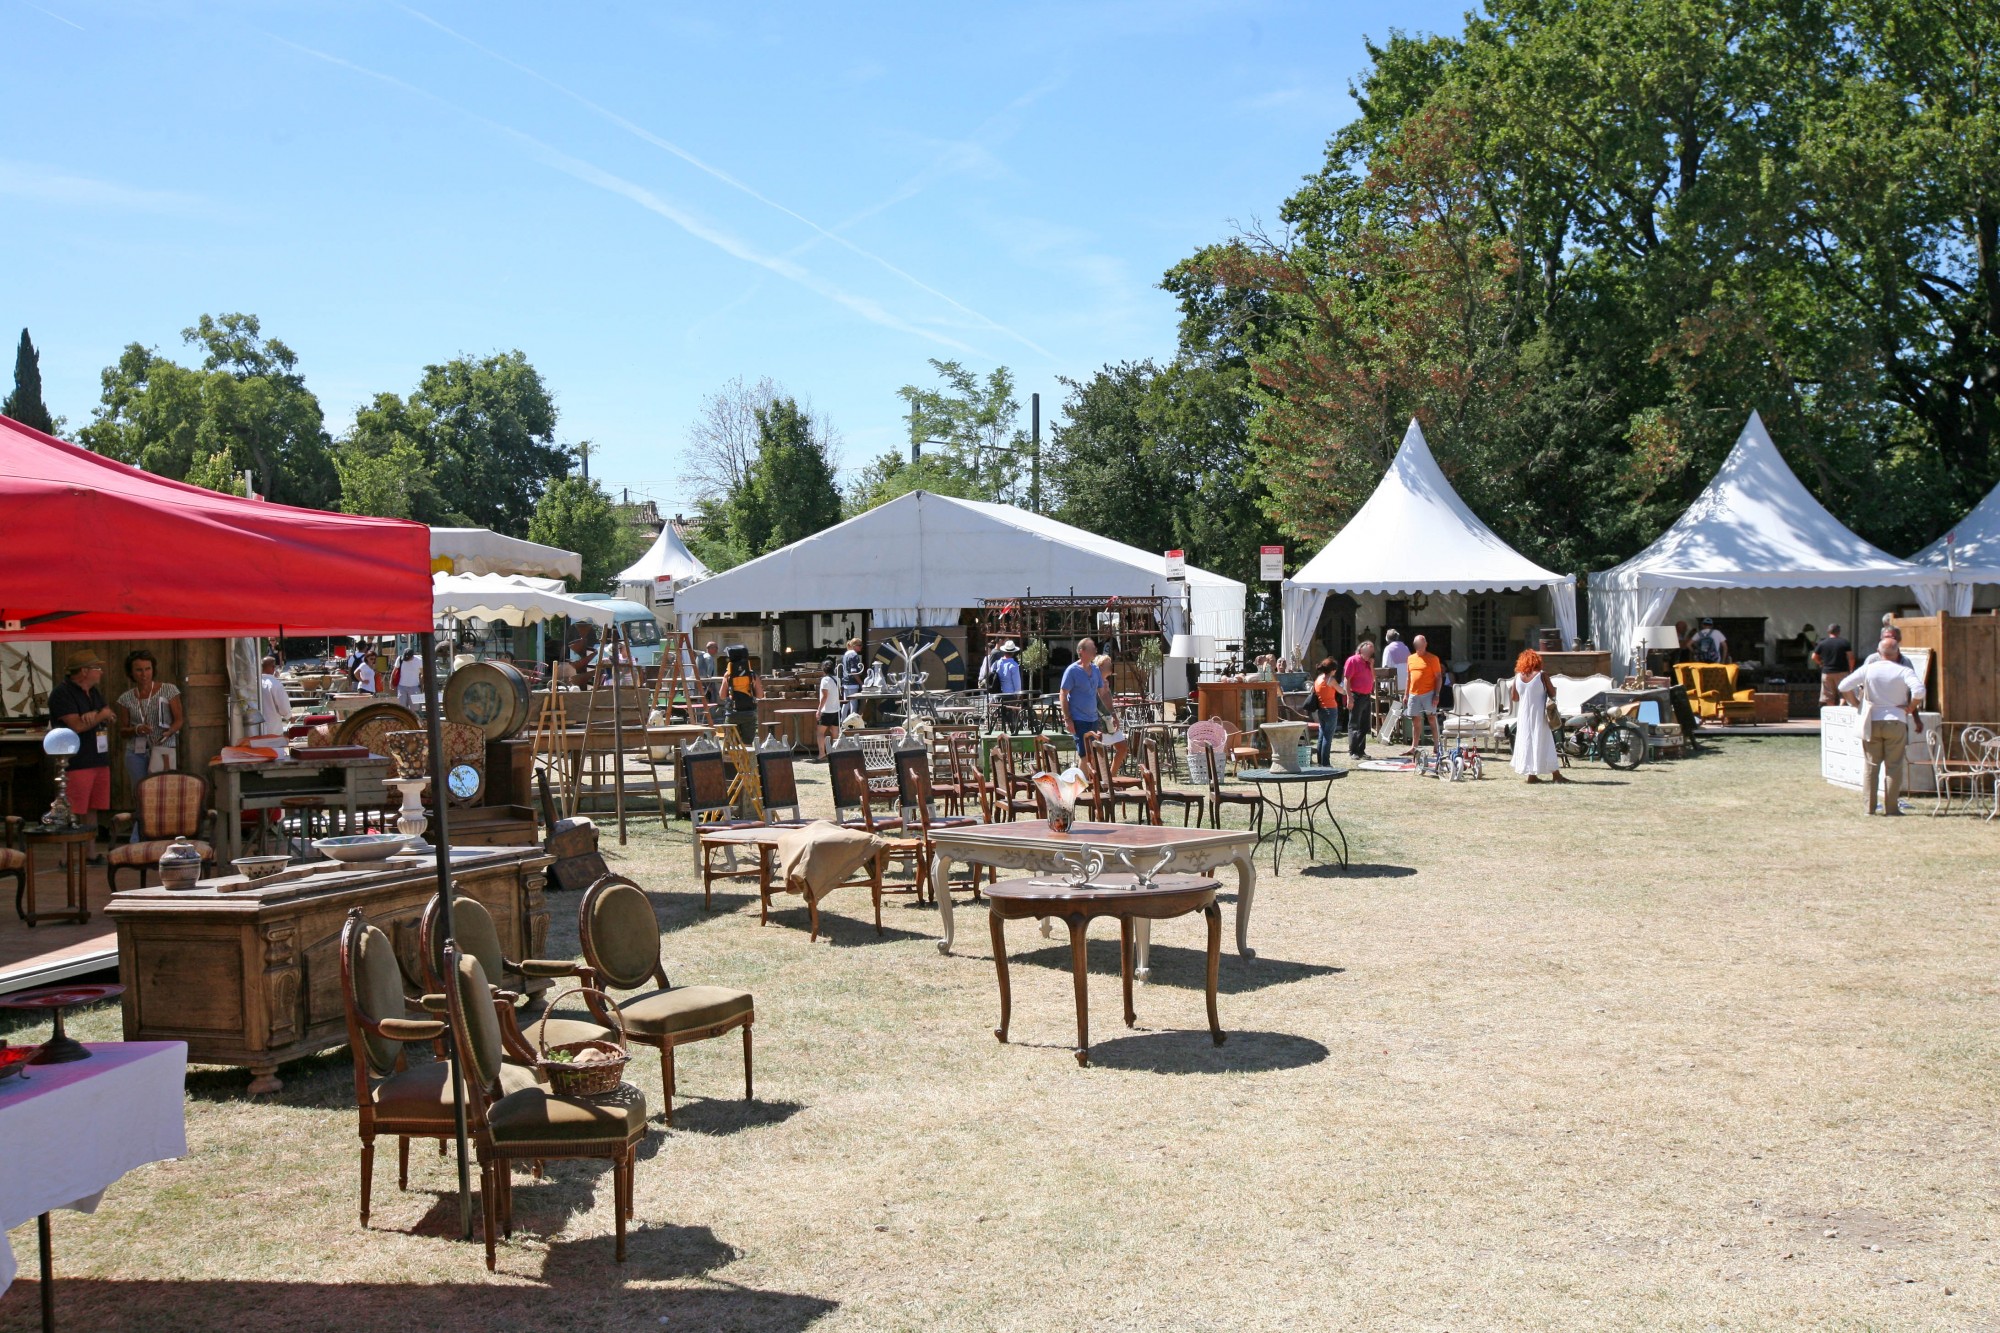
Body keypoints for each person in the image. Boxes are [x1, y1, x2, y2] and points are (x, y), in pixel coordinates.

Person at [1840, 636, 1925, 815]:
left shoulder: (1869, 669)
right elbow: (1919, 691)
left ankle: (1869, 808)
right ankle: (1892, 808)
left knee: (1871, 765)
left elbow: (1843, 686)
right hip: (1896, 720)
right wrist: (1911, 707)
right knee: (1893, 766)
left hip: (1872, 720)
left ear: (1878, 653)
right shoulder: (1903, 671)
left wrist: (1856, 704)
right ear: (1898, 653)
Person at [48, 649, 116, 852]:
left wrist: (97, 714)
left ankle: (91, 852)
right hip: (77, 761)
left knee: (92, 808)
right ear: (84, 671)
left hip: (98, 759)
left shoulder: (93, 692)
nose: (101, 672)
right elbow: (76, 726)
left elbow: (110, 714)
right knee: (73, 809)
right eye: (97, 668)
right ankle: (66, 855)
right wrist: (100, 715)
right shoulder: (62, 693)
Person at [116, 651, 183, 830]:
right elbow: (122, 731)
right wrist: (137, 729)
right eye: (139, 670)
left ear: (153, 670)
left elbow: (179, 720)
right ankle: (139, 834)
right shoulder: (126, 698)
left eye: (148, 669)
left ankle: (164, 831)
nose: (144, 674)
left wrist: (170, 732)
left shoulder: (169, 690)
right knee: (140, 793)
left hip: (163, 747)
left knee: (163, 791)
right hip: (136, 751)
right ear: (131, 673)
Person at [1509, 648, 1568, 784]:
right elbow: (1552, 693)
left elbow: (1514, 697)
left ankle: (1532, 775)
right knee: (1545, 742)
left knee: (1528, 742)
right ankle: (1556, 775)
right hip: (1539, 714)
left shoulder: (1518, 677)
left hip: (1524, 715)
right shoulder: (1541, 675)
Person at [1059, 636, 1109, 752]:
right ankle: (1081, 771)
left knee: (1091, 754)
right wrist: (1067, 719)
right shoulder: (1072, 671)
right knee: (1085, 754)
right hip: (1078, 719)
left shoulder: (1096, 670)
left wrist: (1111, 714)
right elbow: (1063, 694)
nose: (1095, 651)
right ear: (1082, 651)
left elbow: (1103, 694)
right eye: (1092, 648)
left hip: (1093, 719)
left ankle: (1082, 771)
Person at [1403, 634, 1444, 755]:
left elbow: (1438, 677)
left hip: (1429, 693)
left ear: (1425, 645)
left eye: (1421, 644)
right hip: (1413, 694)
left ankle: (1437, 746)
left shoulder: (1433, 658)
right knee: (1415, 720)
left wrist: (1436, 694)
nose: (1419, 646)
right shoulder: (1410, 658)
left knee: (1431, 718)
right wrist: (1406, 695)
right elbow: (1408, 678)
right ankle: (1414, 747)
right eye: (1417, 644)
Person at [722, 644, 763, 744]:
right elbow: (760, 695)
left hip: (732, 713)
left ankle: (732, 759)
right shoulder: (752, 675)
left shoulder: (728, 675)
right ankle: (747, 759)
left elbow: (722, 696)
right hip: (749, 713)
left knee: (731, 745)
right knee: (747, 744)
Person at [1343, 640, 1376, 759]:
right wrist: (1349, 697)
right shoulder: (1353, 660)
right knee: (1354, 724)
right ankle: (1353, 751)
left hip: (1366, 696)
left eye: (1372, 652)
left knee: (1364, 725)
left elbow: (1373, 679)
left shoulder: (1368, 663)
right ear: (1361, 650)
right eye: (1368, 651)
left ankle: (1361, 750)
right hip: (1356, 695)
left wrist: (1371, 665)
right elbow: (1347, 679)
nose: (1370, 654)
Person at [1311, 656, 1344, 766]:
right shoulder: (1331, 680)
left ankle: (1320, 761)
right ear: (1332, 670)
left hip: (1321, 710)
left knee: (1321, 736)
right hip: (1331, 709)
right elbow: (1342, 691)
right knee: (1327, 737)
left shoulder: (1318, 679)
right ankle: (1326, 763)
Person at [1812, 622, 1854, 706]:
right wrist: (1851, 669)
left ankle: (1831, 712)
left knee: (1828, 695)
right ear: (1838, 632)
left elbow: (1813, 657)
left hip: (1827, 672)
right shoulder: (1844, 643)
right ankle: (1840, 708)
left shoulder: (1822, 643)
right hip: (1842, 671)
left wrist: (1820, 663)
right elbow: (1851, 657)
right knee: (1843, 692)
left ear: (1828, 632)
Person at [813, 658, 842, 760]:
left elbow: (824, 696)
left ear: (824, 669)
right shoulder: (837, 679)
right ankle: (835, 753)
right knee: (835, 733)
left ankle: (822, 753)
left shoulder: (825, 680)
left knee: (820, 733)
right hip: (836, 709)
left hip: (827, 710)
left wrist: (819, 710)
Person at [257, 655, 292, 738]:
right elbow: (283, 707)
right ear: (273, 668)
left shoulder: (254, 683)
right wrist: (289, 716)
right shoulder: (275, 684)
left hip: (255, 730)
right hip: (273, 730)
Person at [839, 637, 866, 720]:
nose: (861, 647)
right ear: (854, 646)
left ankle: (842, 722)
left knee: (845, 704)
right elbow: (854, 672)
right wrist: (861, 683)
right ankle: (851, 724)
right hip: (853, 683)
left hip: (845, 682)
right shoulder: (854, 655)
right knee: (853, 704)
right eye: (860, 645)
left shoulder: (846, 654)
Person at [1381, 629, 1409, 695]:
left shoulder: (1388, 649)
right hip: (1406, 683)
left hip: (1394, 684)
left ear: (1387, 639)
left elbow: (1385, 667)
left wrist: (1383, 685)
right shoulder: (1406, 648)